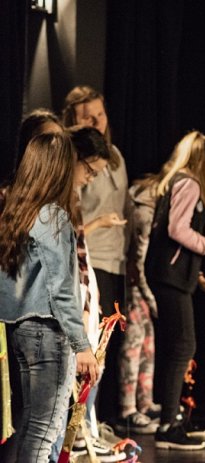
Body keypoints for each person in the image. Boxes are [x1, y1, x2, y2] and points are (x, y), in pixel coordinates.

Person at [0, 133, 98, 463]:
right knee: (43, 433)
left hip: (20, 331)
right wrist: (82, 345)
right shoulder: (52, 216)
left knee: (31, 427)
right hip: (47, 332)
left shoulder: (16, 212)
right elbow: (62, 289)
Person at [144, 131, 205, 450]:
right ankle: (168, 425)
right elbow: (177, 230)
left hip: (174, 276)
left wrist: (201, 281)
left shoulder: (177, 181)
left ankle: (173, 418)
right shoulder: (190, 183)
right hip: (169, 277)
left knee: (179, 346)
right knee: (183, 345)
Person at [62, 85, 130, 424]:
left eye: (100, 115)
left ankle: (92, 424)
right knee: (85, 348)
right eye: (88, 118)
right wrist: (98, 224)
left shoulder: (114, 156)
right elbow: (70, 223)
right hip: (88, 261)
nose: (97, 122)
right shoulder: (71, 161)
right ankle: (79, 426)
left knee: (103, 348)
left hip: (115, 261)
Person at [115, 173, 162, 436]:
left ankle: (145, 402)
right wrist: (152, 299)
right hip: (131, 285)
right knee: (133, 345)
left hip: (138, 287)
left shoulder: (147, 209)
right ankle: (128, 409)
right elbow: (138, 263)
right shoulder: (144, 213)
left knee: (147, 343)